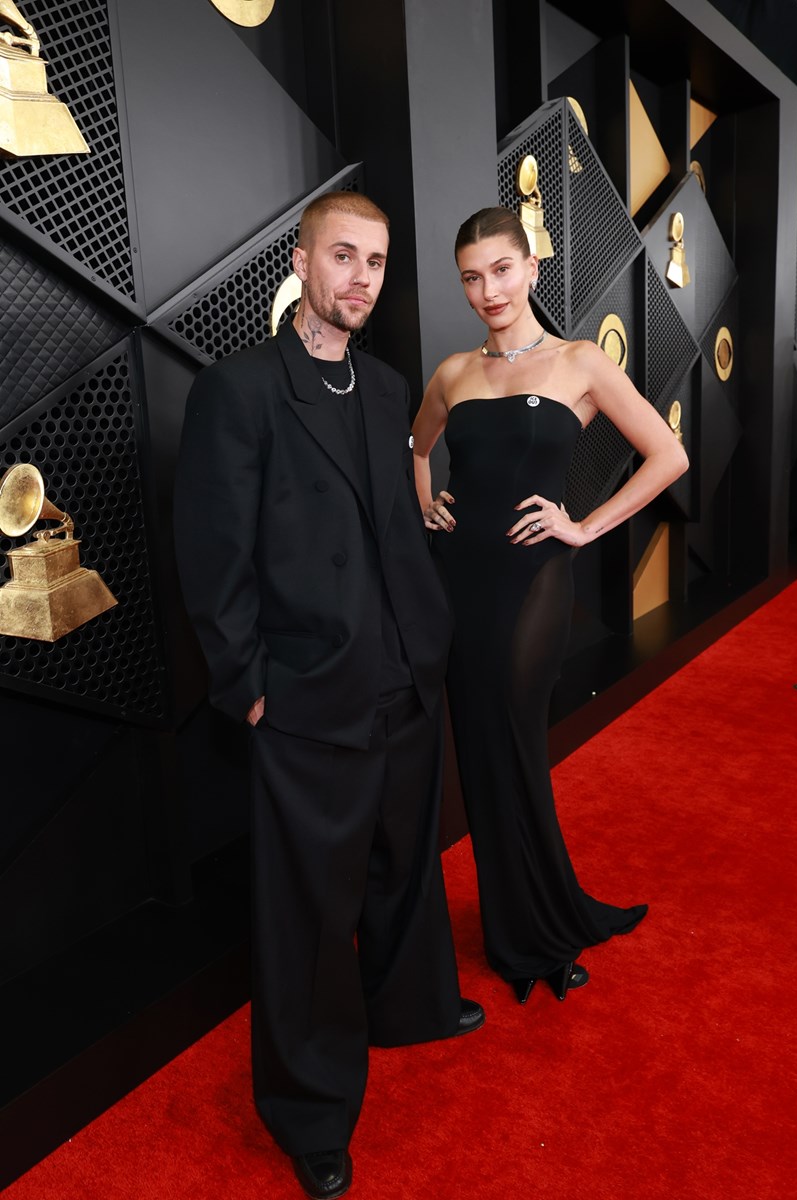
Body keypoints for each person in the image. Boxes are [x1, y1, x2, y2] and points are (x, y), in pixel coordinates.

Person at [173, 192, 484, 1200]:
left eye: (377, 262)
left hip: (404, 676)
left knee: (403, 866)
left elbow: (393, 523)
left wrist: (427, 637)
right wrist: (248, 688)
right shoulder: (240, 391)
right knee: (310, 913)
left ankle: (408, 1007)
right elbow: (211, 554)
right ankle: (309, 1112)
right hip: (305, 695)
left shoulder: (390, 386)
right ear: (299, 262)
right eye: (341, 257)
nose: (360, 278)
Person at [411, 205, 688, 1007]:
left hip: (533, 582)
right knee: (480, 751)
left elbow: (667, 454)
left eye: (502, 269)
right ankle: (514, 926)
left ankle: (542, 926)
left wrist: (583, 526)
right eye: (472, 276)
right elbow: (417, 449)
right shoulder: (454, 374)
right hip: (459, 581)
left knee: (517, 743)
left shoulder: (580, 364)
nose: (488, 289)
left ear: (533, 267)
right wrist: (428, 504)